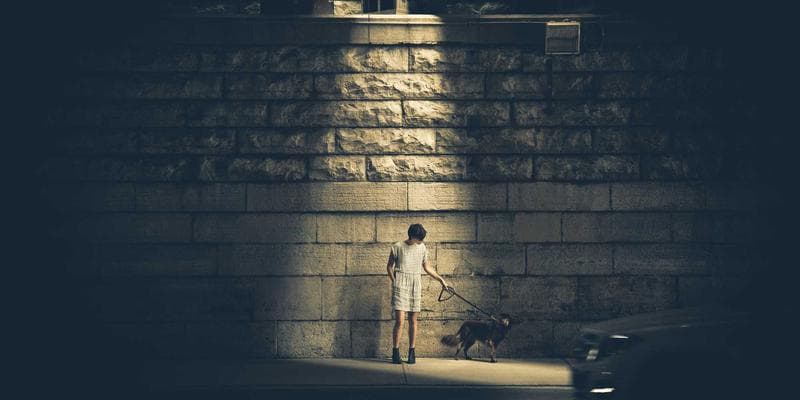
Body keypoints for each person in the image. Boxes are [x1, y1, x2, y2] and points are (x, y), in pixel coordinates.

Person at [387, 223, 448, 364]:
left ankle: (411, 352)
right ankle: (395, 352)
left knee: (413, 320)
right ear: (412, 236)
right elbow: (389, 266)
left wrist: (441, 280)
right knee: (400, 321)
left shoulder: (422, 247)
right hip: (401, 283)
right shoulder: (397, 246)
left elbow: (427, 267)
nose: (421, 241)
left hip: (415, 283)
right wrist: (394, 281)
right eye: (419, 238)